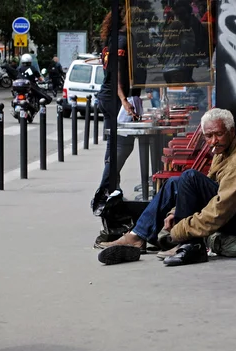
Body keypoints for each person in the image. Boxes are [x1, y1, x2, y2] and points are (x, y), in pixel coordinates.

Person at [96, 108, 236, 266]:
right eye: (208, 136)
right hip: (234, 210)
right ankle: (137, 236)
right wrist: (175, 212)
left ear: (231, 131)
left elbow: (221, 209)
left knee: (189, 177)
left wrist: (180, 231)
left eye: (218, 134)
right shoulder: (223, 151)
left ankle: (184, 243)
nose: (213, 141)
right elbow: (207, 190)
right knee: (174, 182)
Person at [92, 6, 141, 210]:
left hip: (110, 97)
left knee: (115, 145)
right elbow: (118, 72)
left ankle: (112, 189)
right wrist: (124, 100)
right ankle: (105, 192)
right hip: (116, 99)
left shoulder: (113, 38)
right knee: (122, 145)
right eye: (138, 19)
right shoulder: (121, 40)